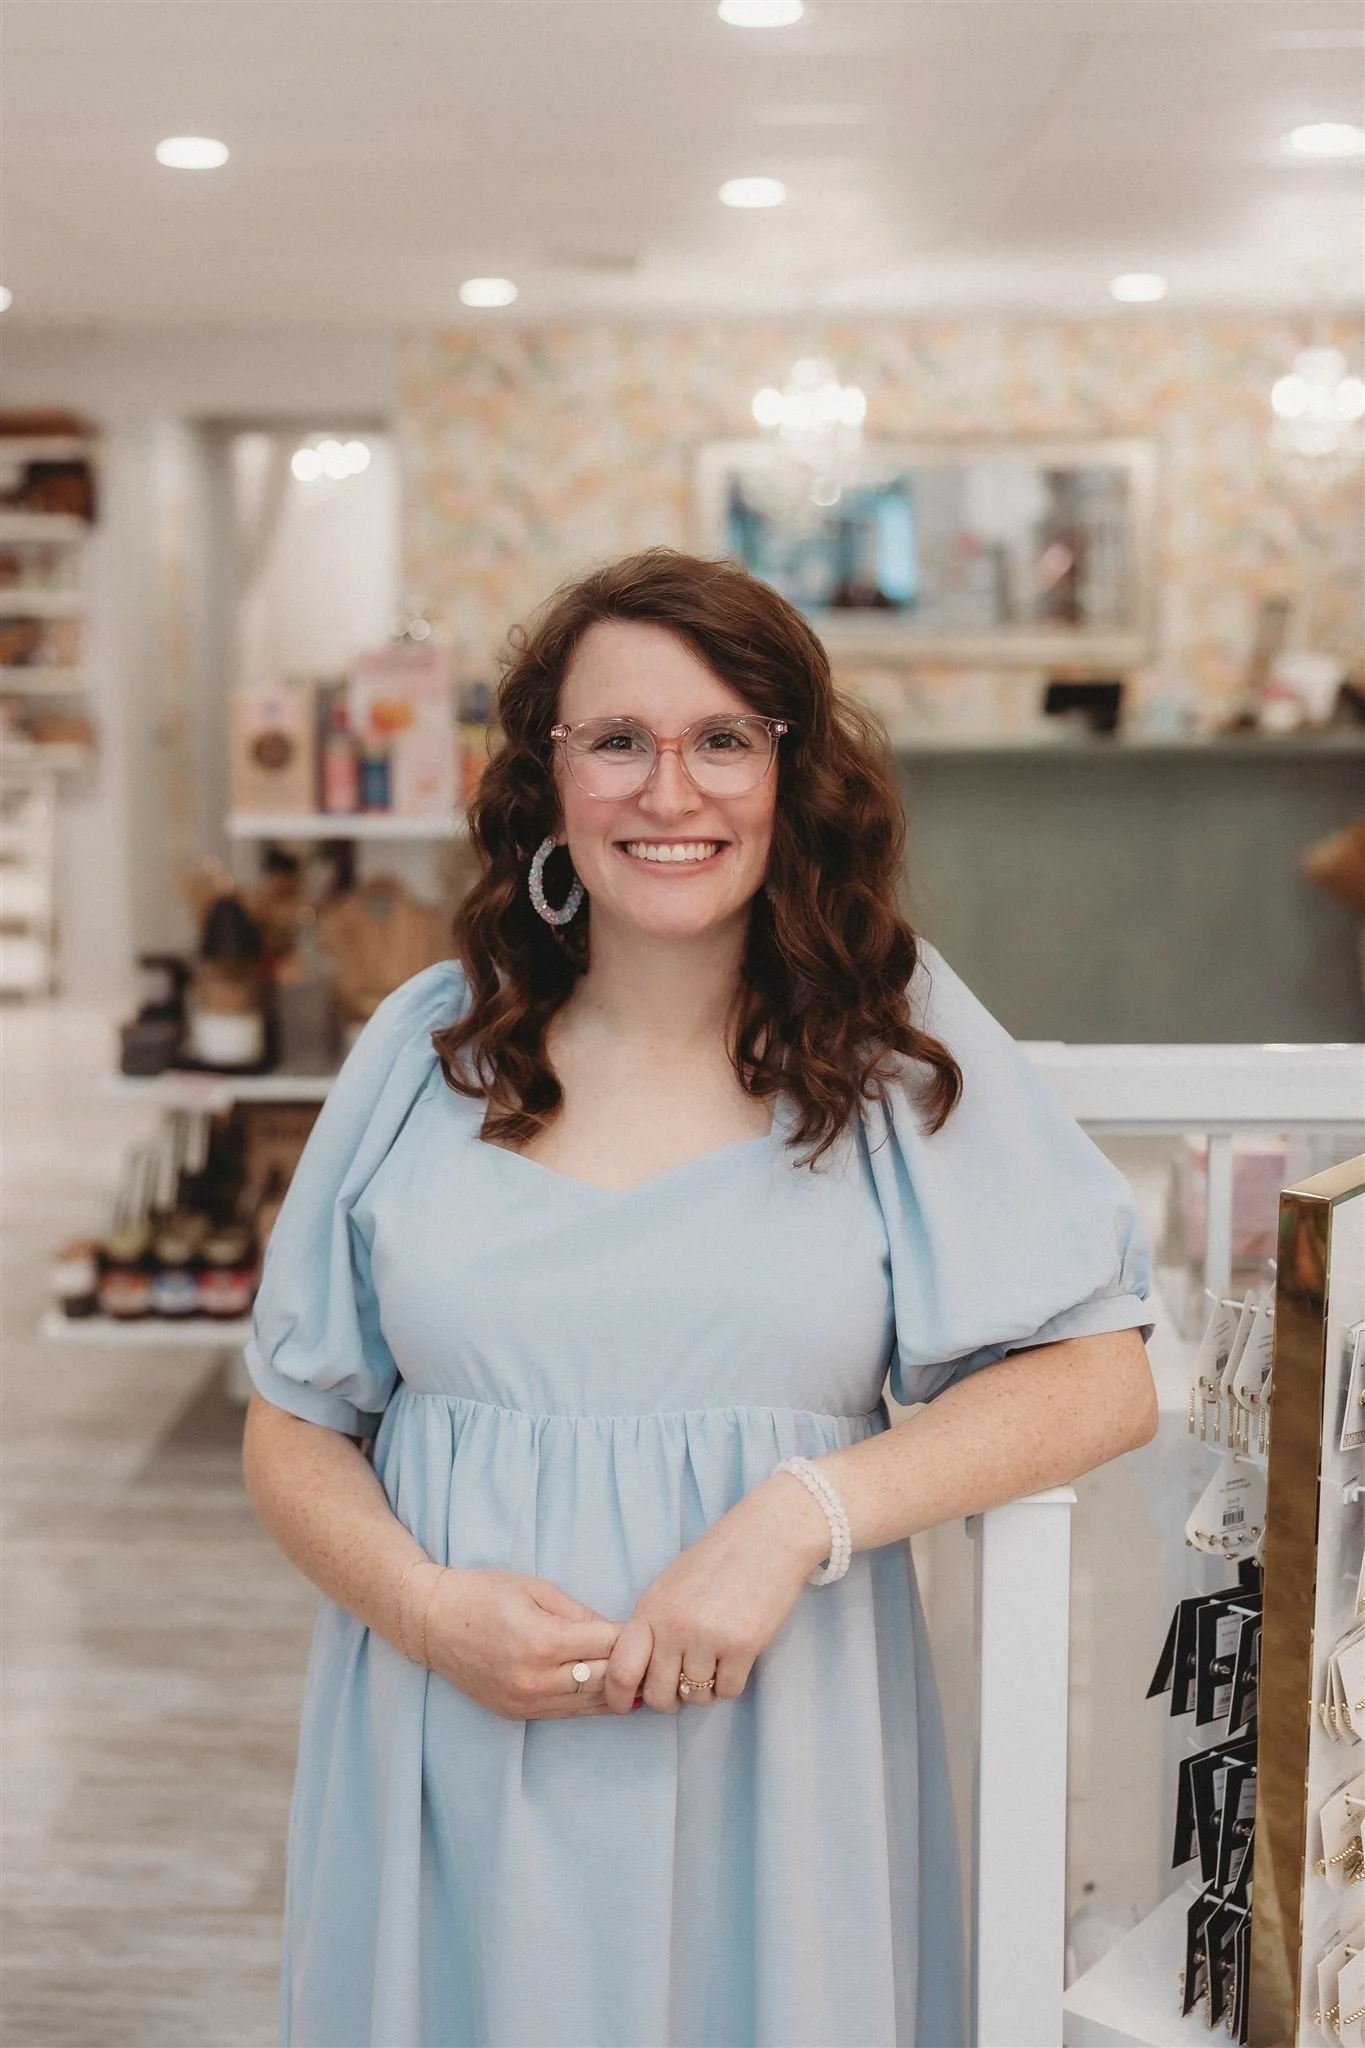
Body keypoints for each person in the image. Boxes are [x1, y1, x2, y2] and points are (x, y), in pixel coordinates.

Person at [243, 547, 1157, 2048]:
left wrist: (798, 1514)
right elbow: (293, 1427)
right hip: (446, 1751)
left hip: (779, 1781)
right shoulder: (427, 1047)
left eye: (725, 738)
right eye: (617, 741)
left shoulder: (888, 1034)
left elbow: (1096, 1375)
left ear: (793, 776)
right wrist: (423, 1609)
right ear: (548, 779)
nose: (670, 792)